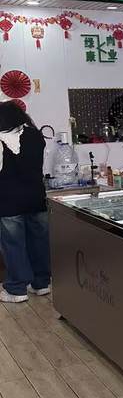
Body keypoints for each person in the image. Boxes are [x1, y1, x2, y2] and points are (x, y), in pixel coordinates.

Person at [0, 100, 51, 303]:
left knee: (14, 246)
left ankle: (16, 288)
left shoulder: (1, 139)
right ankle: (41, 283)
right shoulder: (35, 136)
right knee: (39, 242)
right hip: (36, 198)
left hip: (8, 202)